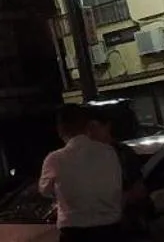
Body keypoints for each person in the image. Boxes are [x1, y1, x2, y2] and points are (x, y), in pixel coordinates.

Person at [39, 103, 124, 241]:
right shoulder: (108, 152)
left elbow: (44, 191)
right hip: (111, 230)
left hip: (75, 231)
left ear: (60, 129)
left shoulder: (55, 159)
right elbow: (117, 186)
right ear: (87, 126)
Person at [87, 107, 148, 236]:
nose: (91, 133)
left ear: (107, 126)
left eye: (94, 127)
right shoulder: (88, 157)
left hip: (126, 225)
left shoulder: (123, 153)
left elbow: (138, 188)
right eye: (87, 129)